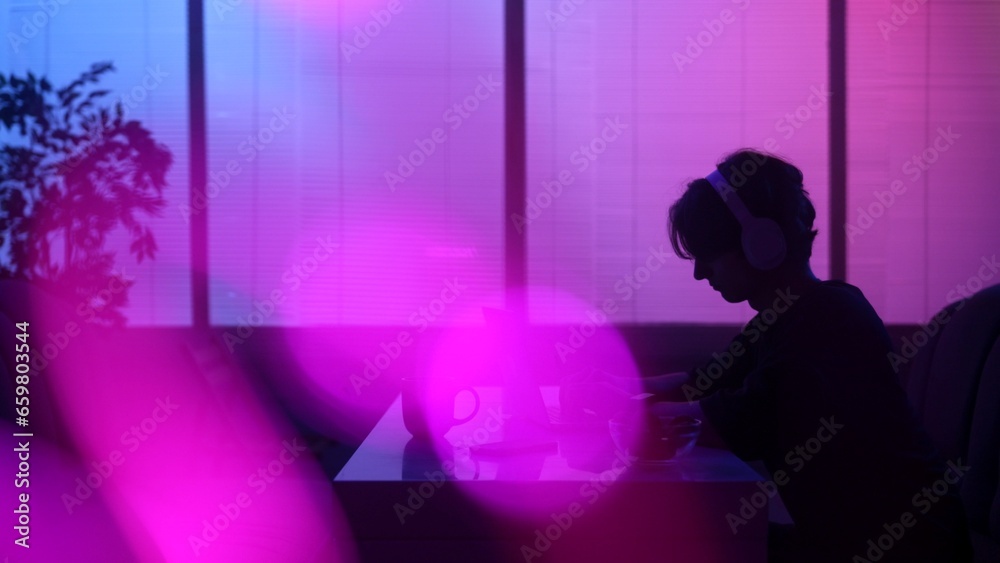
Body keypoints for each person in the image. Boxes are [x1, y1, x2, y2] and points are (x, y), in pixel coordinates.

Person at [650, 149, 972, 562]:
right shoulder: (782, 318)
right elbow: (704, 382)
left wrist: (624, 413)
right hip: (846, 542)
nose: (699, 273)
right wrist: (621, 387)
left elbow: (735, 418)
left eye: (708, 256)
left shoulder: (830, 319)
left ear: (758, 243)